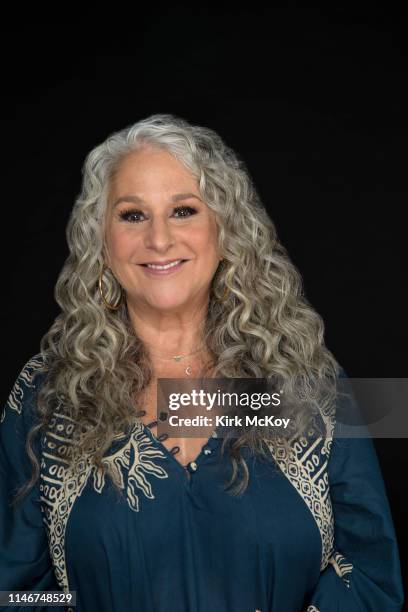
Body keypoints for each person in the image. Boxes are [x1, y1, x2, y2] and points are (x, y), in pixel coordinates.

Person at [0, 113, 403, 612]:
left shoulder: (308, 381)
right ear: (100, 241)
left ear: (226, 228)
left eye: (184, 210)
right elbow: (11, 588)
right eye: (132, 215)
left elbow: (372, 575)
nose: (160, 240)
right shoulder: (46, 394)